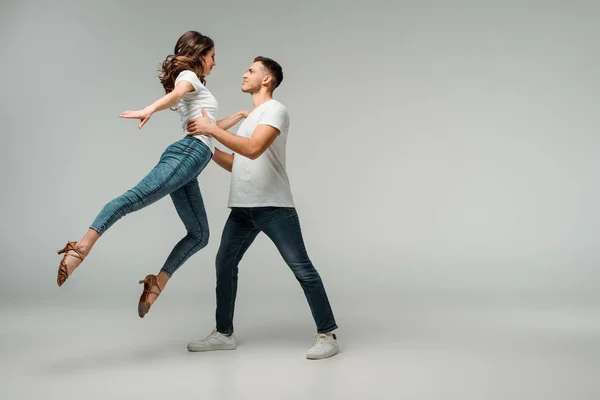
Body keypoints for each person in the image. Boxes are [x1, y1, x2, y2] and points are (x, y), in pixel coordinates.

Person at [55, 30, 248, 318]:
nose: (215, 63)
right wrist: (150, 108)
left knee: (199, 234)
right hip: (187, 155)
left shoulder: (195, 86)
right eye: (212, 56)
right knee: (132, 200)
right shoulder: (188, 77)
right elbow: (177, 95)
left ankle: (157, 283)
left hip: (193, 158)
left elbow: (211, 129)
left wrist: (241, 116)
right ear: (198, 56)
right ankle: (80, 248)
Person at [185, 57, 339, 360]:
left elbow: (253, 150)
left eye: (251, 71)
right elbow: (237, 162)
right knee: (224, 264)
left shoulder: (275, 111)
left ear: (267, 79)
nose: (244, 73)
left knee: (302, 269)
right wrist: (206, 142)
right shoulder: (249, 118)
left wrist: (213, 130)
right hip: (242, 208)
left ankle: (327, 334)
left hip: (273, 206)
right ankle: (223, 334)